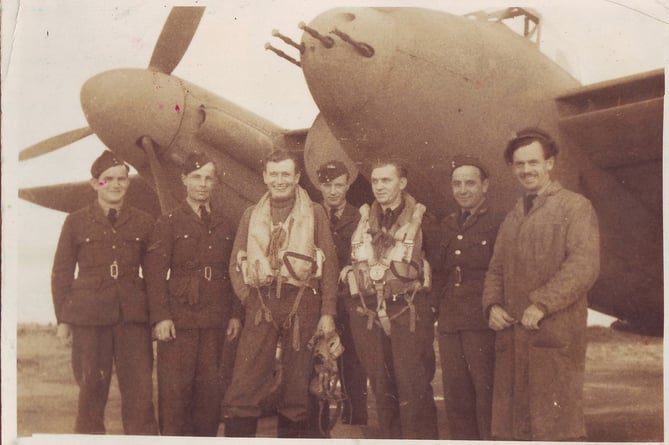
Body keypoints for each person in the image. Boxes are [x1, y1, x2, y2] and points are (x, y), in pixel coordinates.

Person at [482, 128, 600, 441]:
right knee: (515, 429)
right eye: (519, 164)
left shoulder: (576, 207)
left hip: (554, 333)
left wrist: (542, 303)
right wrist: (492, 305)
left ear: (550, 163)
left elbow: (583, 265)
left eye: (533, 162)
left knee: (555, 428)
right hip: (514, 335)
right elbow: (495, 268)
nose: (526, 170)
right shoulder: (514, 215)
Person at [222, 149, 338, 438]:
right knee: (245, 383)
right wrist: (248, 299)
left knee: (298, 385)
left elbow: (331, 264)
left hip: (303, 303)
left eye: (286, 174)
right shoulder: (251, 215)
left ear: (297, 176)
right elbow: (236, 262)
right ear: (264, 177)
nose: (280, 180)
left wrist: (327, 313)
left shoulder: (316, 212)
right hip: (261, 302)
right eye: (274, 174)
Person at [51, 150, 158, 435]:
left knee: (140, 397)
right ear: (94, 184)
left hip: (133, 320)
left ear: (128, 183)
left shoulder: (144, 222)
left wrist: (157, 318)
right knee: (90, 395)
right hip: (89, 319)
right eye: (107, 179)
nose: (115, 185)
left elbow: (155, 276)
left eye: (121, 179)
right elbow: (61, 273)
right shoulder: (75, 222)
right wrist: (63, 320)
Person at [145, 152, 242, 436]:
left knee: (209, 399)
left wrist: (236, 315)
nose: (202, 184)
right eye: (197, 177)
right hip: (179, 322)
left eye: (209, 178)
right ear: (184, 180)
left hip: (215, 323)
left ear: (215, 183)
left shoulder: (226, 225)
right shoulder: (168, 222)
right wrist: (161, 317)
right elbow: (154, 275)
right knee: (175, 397)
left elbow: (235, 271)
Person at [342, 159, 438, 439]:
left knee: (413, 386)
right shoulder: (362, 222)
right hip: (369, 314)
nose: (380, 187)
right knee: (381, 386)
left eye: (386, 180)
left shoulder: (423, 221)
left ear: (402, 183)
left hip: (407, 312)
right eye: (375, 181)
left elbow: (437, 267)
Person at [428, 155, 502, 439]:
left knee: (486, 395)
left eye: (470, 183)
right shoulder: (446, 225)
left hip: (481, 320)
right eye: (457, 184)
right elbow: (438, 271)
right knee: (456, 397)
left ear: (485, 186)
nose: (463, 190)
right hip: (450, 321)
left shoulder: (498, 222)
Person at [312, 160, 368, 433]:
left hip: (349, 302)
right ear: (318, 185)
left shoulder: (359, 218)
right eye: (327, 185)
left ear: (347, 185)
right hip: (318, 302)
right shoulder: (309, 216)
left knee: (353, 360)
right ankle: (318, 422)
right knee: (317, 360)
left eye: (338, 185)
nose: (333, 191)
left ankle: (355, 420)